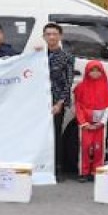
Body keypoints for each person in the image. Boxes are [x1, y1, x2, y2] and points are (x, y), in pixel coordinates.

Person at [42, 23, 75, 174]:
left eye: (54, 34)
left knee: (55, 134)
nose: (51, 37)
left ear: (60, 36)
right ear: (44, 37)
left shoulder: (67, 57)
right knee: (40, 134)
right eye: (48, 34)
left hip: (56, 102)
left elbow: (68, 83)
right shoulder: (38, 55)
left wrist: (60, 103)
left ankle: (57, 167)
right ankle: (41, 165)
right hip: (39, 100)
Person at [73, 60, 108, 181]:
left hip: (99, 125)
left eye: (98, 70)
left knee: (98, 148)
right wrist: (83, 123)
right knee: (84, 147)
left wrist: (102, 122)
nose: (95, 73)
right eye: (92, 70)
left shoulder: (106, 87)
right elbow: (78, 105)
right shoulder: (81, 87)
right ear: (87, 72)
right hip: (86, 124)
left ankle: (96, 171)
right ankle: (84, 172)